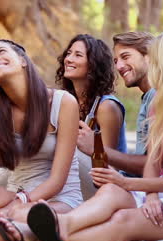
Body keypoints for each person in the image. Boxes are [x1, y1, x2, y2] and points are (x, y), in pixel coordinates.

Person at [0, 28, 163, 241]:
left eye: (159, 62)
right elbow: (153, 162)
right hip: (160, 189)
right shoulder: (162, 104)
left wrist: (129, 183)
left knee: (123, 219)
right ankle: (61, 225)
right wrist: (150, 195)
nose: (156, 69)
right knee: (111, 191)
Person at [0, 39, 83, 241]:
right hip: (15, 192)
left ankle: (9, 228)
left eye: (1, 52)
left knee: (27, 213)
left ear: (23, 61)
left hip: (59, 197)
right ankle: (12, 228)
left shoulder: (64, 102)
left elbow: (58, 179)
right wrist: (6, 201)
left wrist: (17, 203)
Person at [56, 34, 127, 199]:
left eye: (78, 55)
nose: (68, 59)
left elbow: (109, 166)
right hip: (73, 179)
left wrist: (92, 145)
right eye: (68, 53)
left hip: (105, 185)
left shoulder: (106, 106)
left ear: (93, 65)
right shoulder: (67, 101)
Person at [77, 31, 156, 178]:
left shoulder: (158, 97)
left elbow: (153, 166)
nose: (119, 66)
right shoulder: (148, 98)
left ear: (149, 56)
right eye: (115, 61)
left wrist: (96, 147)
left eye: (125, 57)